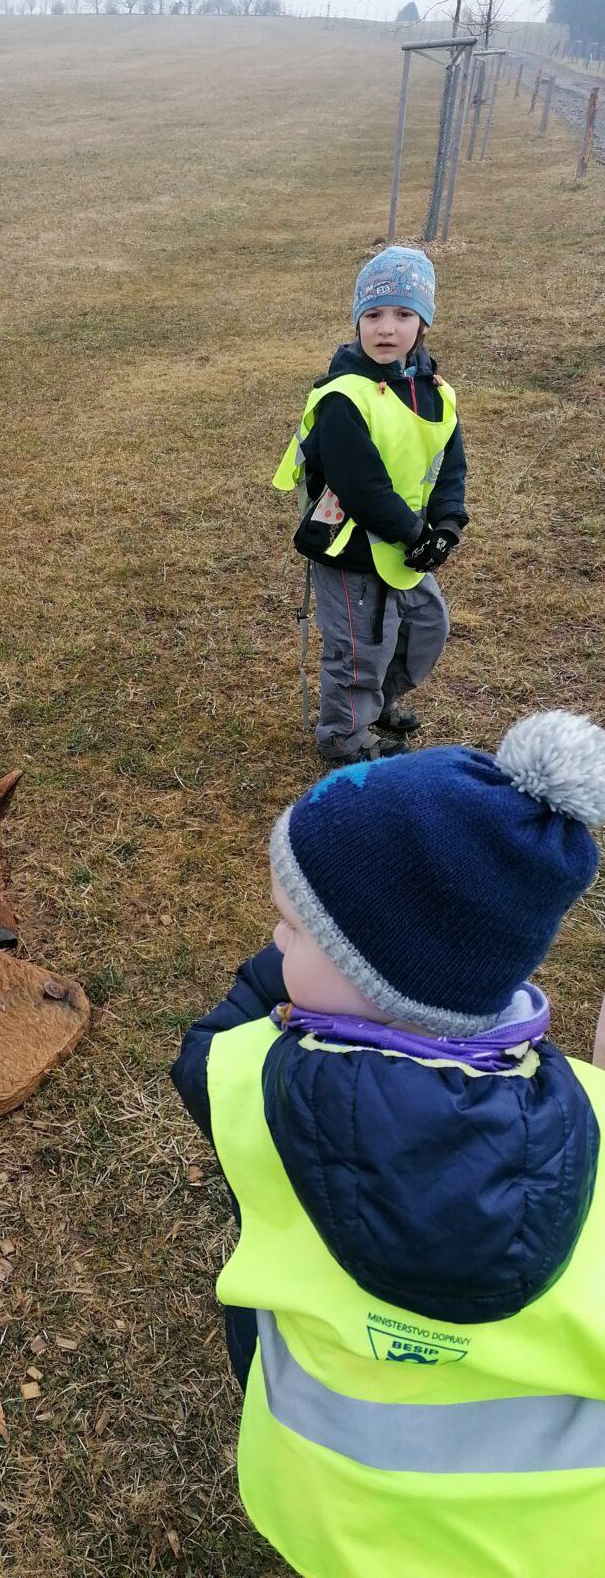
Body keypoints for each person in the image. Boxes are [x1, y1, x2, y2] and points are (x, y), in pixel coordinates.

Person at [171, 710, 605, 1578]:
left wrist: (268, 979)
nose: (276, 941)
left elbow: (200, 1053)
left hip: (323, 1506)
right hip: (540, 1540)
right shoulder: (595, 1117)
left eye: (293, 929)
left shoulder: (253, 1087)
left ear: (371, 975)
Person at [273, 246, 467, 767]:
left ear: (423, 323)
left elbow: (449, 464)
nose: (386, 328)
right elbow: (361, 485)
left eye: (403, 314)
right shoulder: (343, 397)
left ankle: (378, 703)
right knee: (360, 649)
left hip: (407, 543)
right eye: (373, 314)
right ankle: (344, 735)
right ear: (357, 319)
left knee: (425, 626)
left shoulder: (435, 392)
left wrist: (447, 526)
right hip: (351, 548)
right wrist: (417, 534)